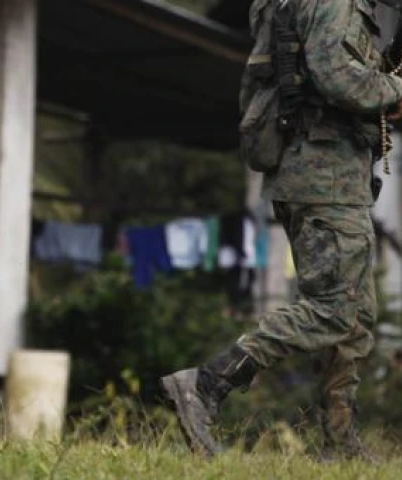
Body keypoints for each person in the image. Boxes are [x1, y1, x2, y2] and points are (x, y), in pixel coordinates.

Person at [160, 0, 402, 459]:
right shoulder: (335, 1)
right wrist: (394, 88)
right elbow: (336, 76)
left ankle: (340, 440)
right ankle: (206, 382)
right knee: (336, 309)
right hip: (325, 174)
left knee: (354, 317)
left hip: (318, 173)